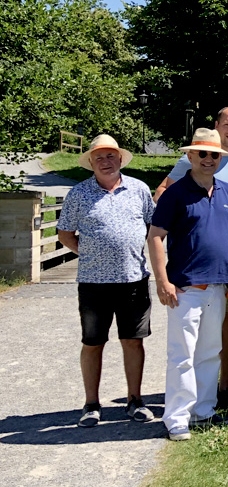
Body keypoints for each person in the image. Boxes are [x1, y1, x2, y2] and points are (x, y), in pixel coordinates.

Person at [153, 106, 228, 401]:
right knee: (185, 348)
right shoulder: (182, 181)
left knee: (213, 343)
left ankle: (208, 403)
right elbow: (159, 215)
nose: (208, 159)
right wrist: (163, 278)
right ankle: (181, 412)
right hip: (187, 275)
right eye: (227, 125)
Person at [148, 129, 228, 441]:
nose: (208, 159)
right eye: (202, 154)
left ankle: (203, 411)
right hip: (184, 288)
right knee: (181, 355)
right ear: (190, 156)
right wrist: (162, 281)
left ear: (221, 158)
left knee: (210, 352)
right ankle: (176, 418)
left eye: (214, 155)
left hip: (218, 287)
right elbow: (155, 236)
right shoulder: (175, 193)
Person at [57, 134, 156, 428]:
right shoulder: (78, 194)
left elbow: (152, 225)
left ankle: (135, 400)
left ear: (120, 159)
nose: (105, 161)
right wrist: (89, 251)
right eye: (99, 157)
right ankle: (91, 404)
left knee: (133, 342)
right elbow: (65, 234)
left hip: (133, 280)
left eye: (110, 155)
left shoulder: (138, 189)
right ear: (90, 162)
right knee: (92, 342)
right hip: (93, 282)